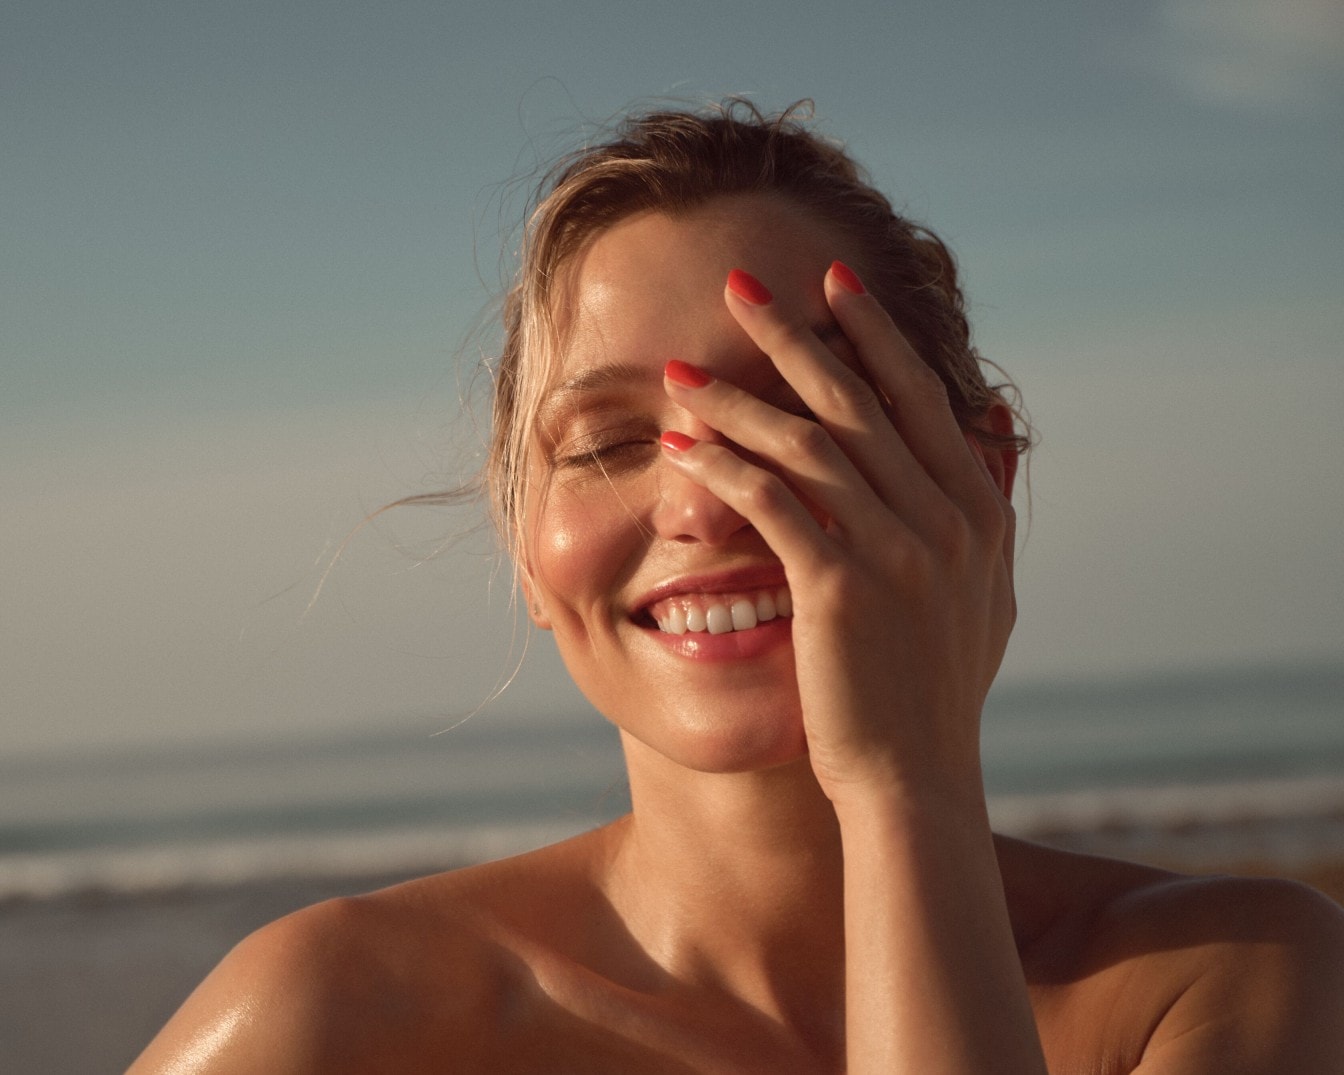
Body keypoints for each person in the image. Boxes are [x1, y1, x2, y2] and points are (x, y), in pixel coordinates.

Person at [129, 101, 1344, 1074]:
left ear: (980, 477)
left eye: (790, 409)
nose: (702, 502)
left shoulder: (1222, 977)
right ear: (526, 549)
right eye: (604, 441)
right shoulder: (338, 1017)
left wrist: (904, 787)